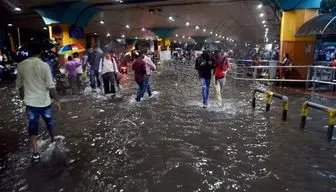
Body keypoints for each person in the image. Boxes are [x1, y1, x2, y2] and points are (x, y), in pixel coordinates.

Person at [16, 47, 60, 162]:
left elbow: (20, 86)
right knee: (50, 123)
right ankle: (54, 142)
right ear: (40, 53)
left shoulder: (21, 65)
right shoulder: (44, 65)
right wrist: (57, 100)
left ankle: (35, 152)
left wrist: (23, 98)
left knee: (33, 126)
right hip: (44, 102)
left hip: (30, 103)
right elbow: (51, 86)